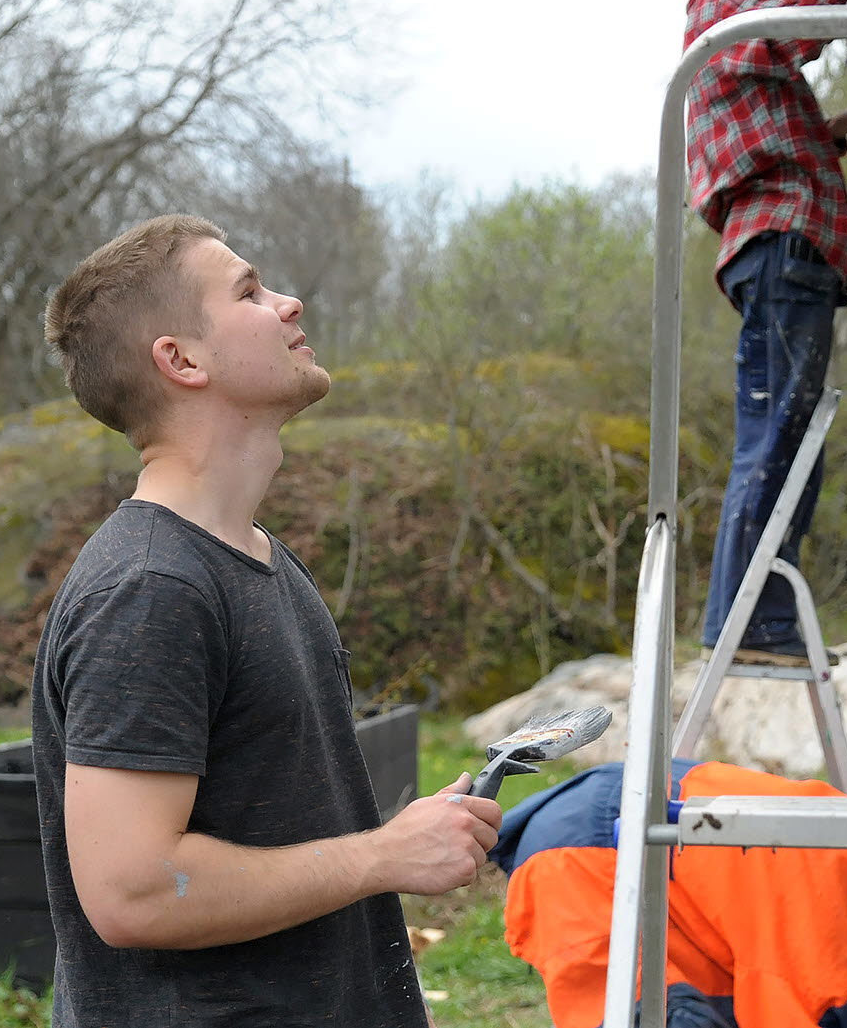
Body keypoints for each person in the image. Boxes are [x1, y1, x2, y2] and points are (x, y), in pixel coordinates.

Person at [32, 214, 503, 1026]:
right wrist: (383, 855)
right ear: (181, 360)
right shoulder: (149, 588)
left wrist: (411, 838)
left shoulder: (254, 558)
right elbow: (133, 891)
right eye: (249, 290)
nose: (288, 303)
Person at [673, 0, 847, 667]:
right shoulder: (720, 7)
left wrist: (846, 118)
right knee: (779, 435)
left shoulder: (740, 27)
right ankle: (753, 624)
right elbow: (797, 31)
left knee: (785, 433)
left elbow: (771, 132)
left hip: (782, 250)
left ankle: (752, 620)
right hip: (781, 249)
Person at [492, 760, 847, 1028]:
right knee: (660, 1015)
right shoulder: (829, 940)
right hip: (588, 864)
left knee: (711, 993)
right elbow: (791, 1014)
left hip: (623, 803)